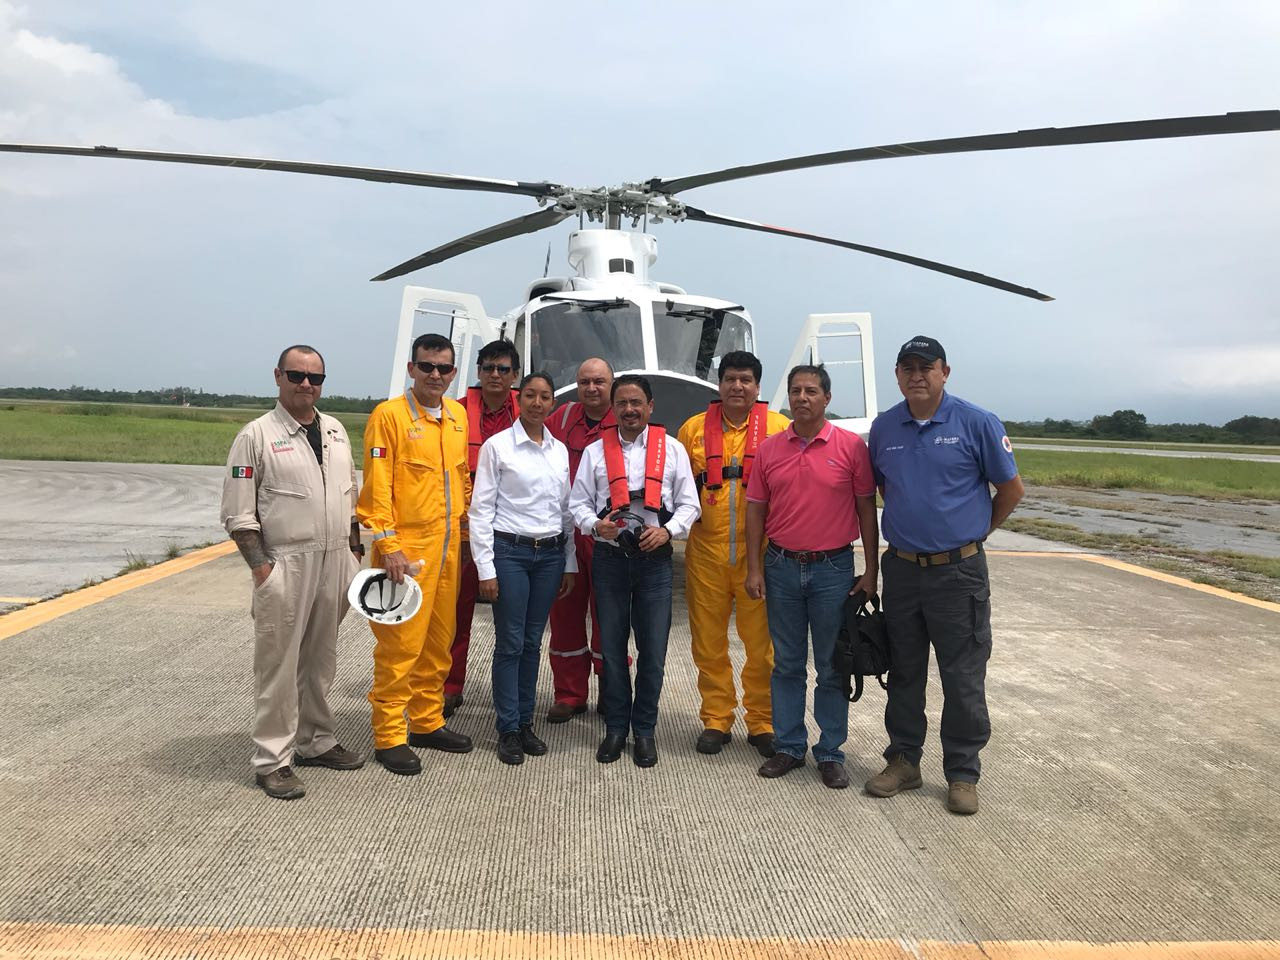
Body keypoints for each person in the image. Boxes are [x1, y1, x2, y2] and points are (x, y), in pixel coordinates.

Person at [864, 336, 1024, 816]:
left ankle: (961, 772)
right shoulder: (884, 427)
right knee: (905, 671)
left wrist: (974, 534)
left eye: (925, 367)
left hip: (958, 574)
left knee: (962, 677)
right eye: (907, 367)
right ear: (897, 375)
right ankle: (904, 761)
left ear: (945, 372)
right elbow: (875, 490)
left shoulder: (976, 422)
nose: (916, 375)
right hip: (904, 569)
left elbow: (1011, 490)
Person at [220, 345, 365, 800]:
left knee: (321, 659)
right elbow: (239, 516)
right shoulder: (256, 436)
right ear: (278, 376)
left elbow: (351, 499)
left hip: (335, 558)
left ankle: (316, 740)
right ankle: (272, 759)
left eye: (315, 378)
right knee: (278, 666)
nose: (306, 384)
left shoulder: (337, 430)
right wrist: (263, 570)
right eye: (297, 375)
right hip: (286, 562)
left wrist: (355, 556)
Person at [744, 364, 878, 789]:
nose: (802, 398)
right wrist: (753, 567)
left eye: (811, 391)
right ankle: (788, 746)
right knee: (785, 664)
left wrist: (871, 568)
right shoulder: (769, 449)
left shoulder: (851, 447)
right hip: (781, 566)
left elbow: (865, 510)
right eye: (796, 391)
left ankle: (830, 751)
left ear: (827, 398)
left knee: (831, 665)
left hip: (833, 570)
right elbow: (755, 512)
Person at [569, 374, 700, 768]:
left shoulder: (673, 450)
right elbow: (577, 506)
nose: (629, 410)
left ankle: (644, 730)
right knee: (611, 650)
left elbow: (690, 506)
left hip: (655, 564)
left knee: (653, 654)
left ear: (650, 406)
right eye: (622, 403)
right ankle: (615, 729)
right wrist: (596, 526)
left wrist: (668, 532)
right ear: (614, 408)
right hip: (610, 561)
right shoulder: (595, 453)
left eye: (636, 403)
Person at [357, 333, 473, 776]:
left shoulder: (457, 417)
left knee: (439, 642)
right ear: (411, 369)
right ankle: (389, 734)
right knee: (400, 646)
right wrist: (388, 547)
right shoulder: (389, 418)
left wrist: (464, 532)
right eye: (427, 367)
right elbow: (376, 488)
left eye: (444, 368)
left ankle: (427, 721)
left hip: (447, 549)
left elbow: (460, 478)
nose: (436, 375)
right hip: (405, 553)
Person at [677, 351, 790, 758]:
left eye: (745, 380)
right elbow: (676, 487)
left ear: (758, 387)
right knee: (707, 642)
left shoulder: (779, 429)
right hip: (705, 550)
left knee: (762, 646)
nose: (737, 386)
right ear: (719, 384)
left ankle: (762, 721)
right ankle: (716, 718)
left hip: (759, 555)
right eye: (730, 379)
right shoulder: (691, 430)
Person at [468, 372, 577, 765]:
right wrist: (486, 569)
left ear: (552, 404)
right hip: (509, 552)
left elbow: (565, 512)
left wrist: (569, 563)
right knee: (511, 642)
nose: (536, 402)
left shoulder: (558, 451)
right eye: (529, 395)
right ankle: (508, 727)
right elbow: (481, 509)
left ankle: (526, 720)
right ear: (520, 399)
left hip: (548, 555)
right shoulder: (498, 447)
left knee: (533, 642)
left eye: (544, 396)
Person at [443, 339, 520, 718]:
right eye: (488, 367)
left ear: (514, 376)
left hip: (509, 533)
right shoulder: (453, 413)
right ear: (478, 372)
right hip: (462, 530)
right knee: (453, 614)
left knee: (515, 620)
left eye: (502, 369)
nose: (494, 375)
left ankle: (514, 694)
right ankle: (449, 686)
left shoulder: (530, 413)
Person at [545, 357, 616, 721]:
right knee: (565, 614)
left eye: (599, 381)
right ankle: (569, 694)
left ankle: (611, 689)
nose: (591, 388)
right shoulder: (561, 418)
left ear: (611, 384)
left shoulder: (625, 419)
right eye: (585, 381)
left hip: (607, 534)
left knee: (610, 616)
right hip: (566, 531)